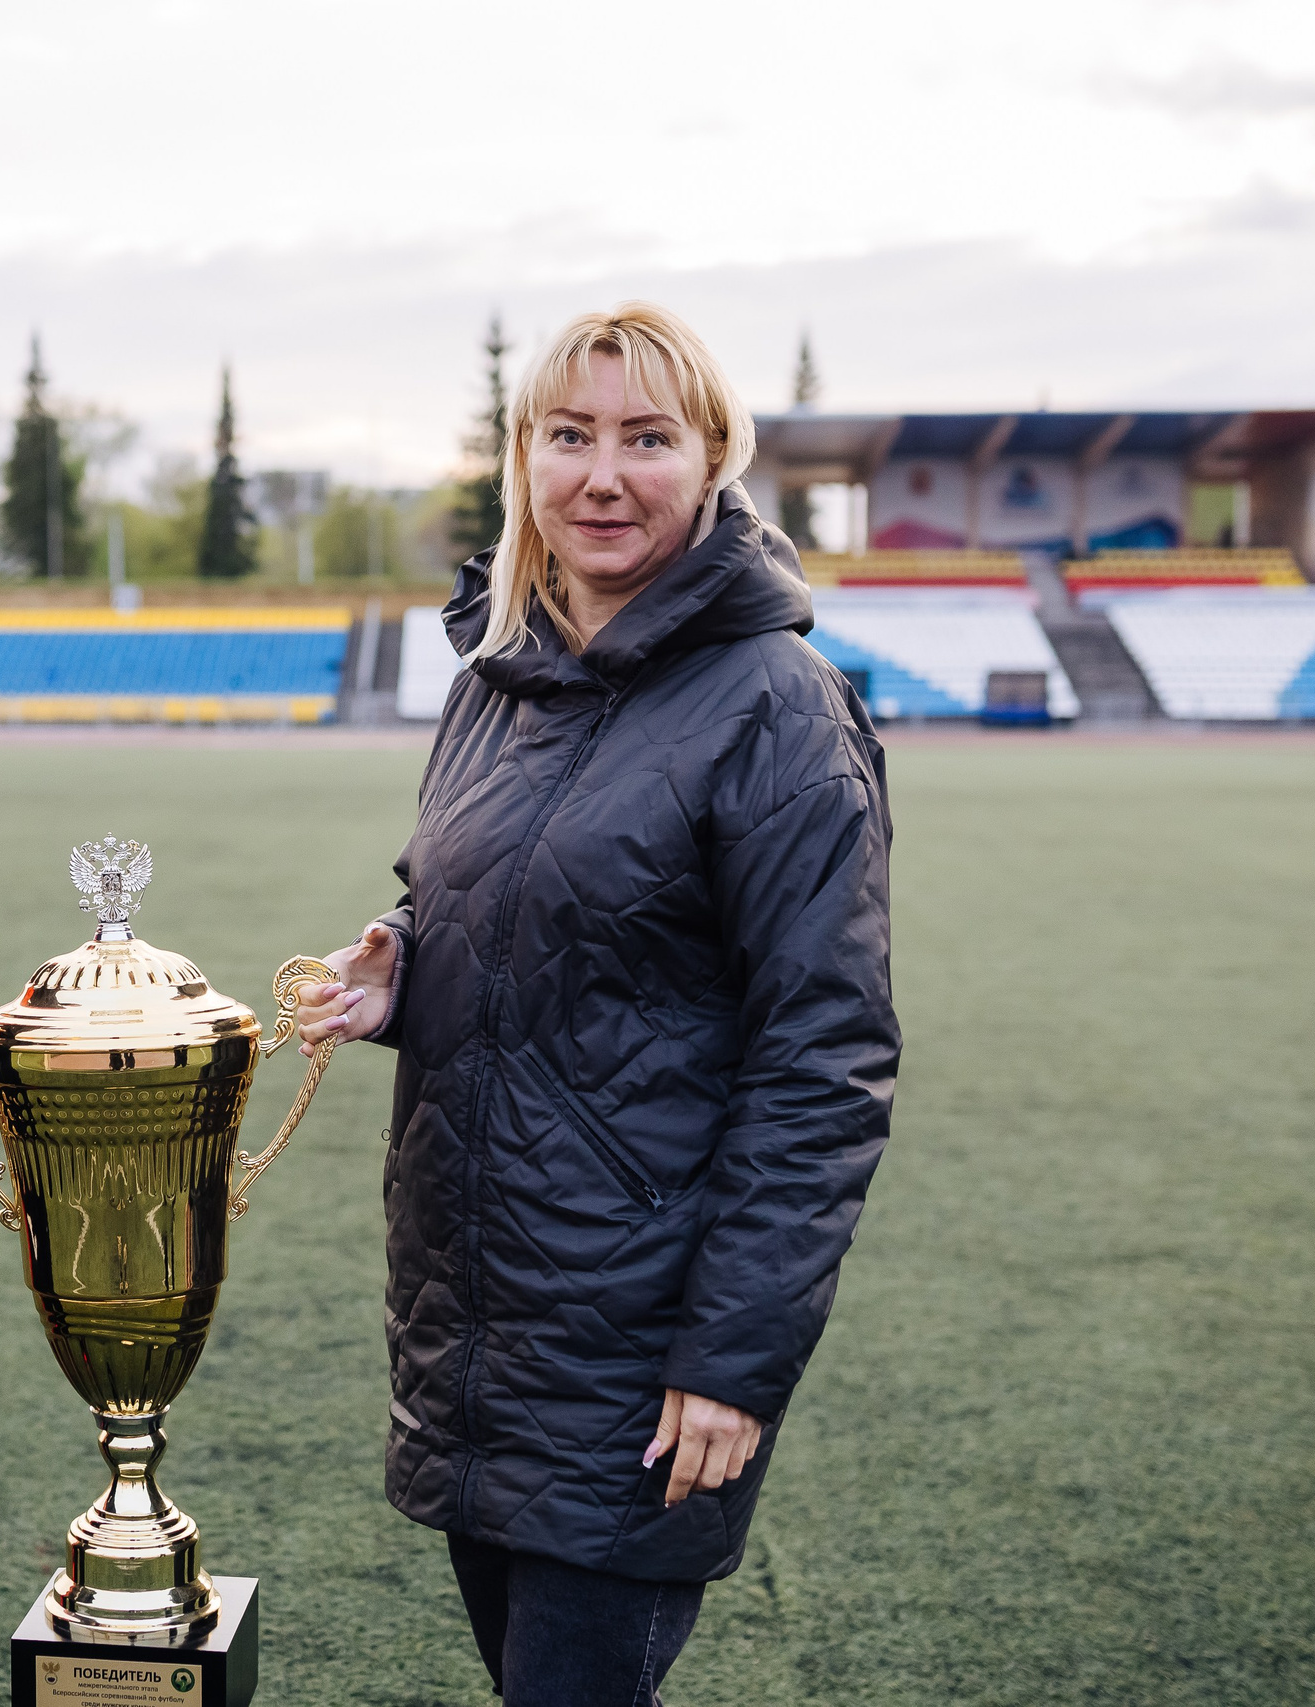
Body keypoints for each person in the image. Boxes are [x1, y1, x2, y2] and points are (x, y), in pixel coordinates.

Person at [295, 303, 898, 1706]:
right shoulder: (497, 683)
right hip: (481, 1321)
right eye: (570, 436)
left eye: (648, 438)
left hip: (642, 1352)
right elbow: (503, 893)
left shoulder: (778, 707)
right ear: (524, 461)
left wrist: (729, 1365)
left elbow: (825, 1059)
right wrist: (405, 950)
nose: (604, 475)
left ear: (712, 464)